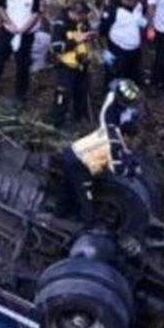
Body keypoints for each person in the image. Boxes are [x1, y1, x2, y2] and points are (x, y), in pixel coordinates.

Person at [57, 79, 140, 225]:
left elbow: (123, 152)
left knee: (68, 185)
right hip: (78, 162)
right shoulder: (114, 142)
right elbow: (118, 168)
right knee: (86, 195)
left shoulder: (113, 131)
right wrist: (133, 171)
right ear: (126, 135)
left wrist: (130, 159)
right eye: (132, 139)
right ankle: (87, 225)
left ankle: (60, 211)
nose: (132, 143)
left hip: (73, 153)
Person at [49, 0, 97, 129]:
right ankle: (57, 122)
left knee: (81, 92)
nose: (85, 18)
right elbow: (56, 47)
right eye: (83, 15)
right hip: (66, 65)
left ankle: (80, 117)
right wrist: (76, 40)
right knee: (63, 94)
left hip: (82, 63)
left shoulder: (83, 21)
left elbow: (86, 35)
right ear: (75, 14)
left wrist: (89, 38)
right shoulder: (60, 24)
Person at [99, 0, 147, 92]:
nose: (135, 3)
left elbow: (142, 20)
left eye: (136, 0)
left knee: (133, 75)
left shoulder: (139, 6)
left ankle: (131, 96)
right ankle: (112, 96)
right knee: (115, 76)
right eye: (132, 1)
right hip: (118, 49)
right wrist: (105, 50)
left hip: (135, 49)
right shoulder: (112, 11)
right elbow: (102, 31)